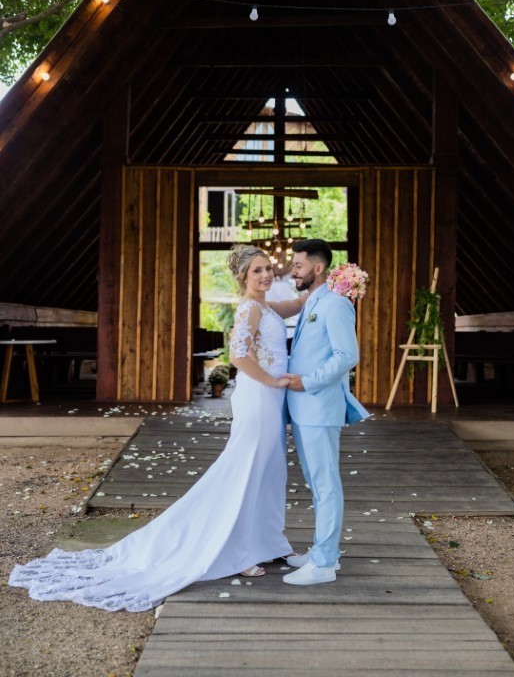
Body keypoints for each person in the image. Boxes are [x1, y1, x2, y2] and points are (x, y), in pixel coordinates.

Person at [8, 244, 306, 612]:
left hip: (271, 401)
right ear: (243, 276)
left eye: (268, 269)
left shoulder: (268, 306)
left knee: (269, 470)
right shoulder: (249, 308)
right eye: (257, 270)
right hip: (259, 397)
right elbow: (237, 356)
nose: (265, 275)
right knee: (247, 469)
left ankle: (266, 541)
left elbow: (296, 305)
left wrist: (329, 283)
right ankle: (238, 549)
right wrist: (272, 381)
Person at [283, 238, 369, 587]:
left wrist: (307, 382)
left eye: (298, 265)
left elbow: (347, 356)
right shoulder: (313, 301)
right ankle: (324, 551)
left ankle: (323, 565)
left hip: (318, 406)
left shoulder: (336, 303)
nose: (292, 270)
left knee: (326, 485)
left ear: (318, 268)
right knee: (318, 485)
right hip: (304, 410)